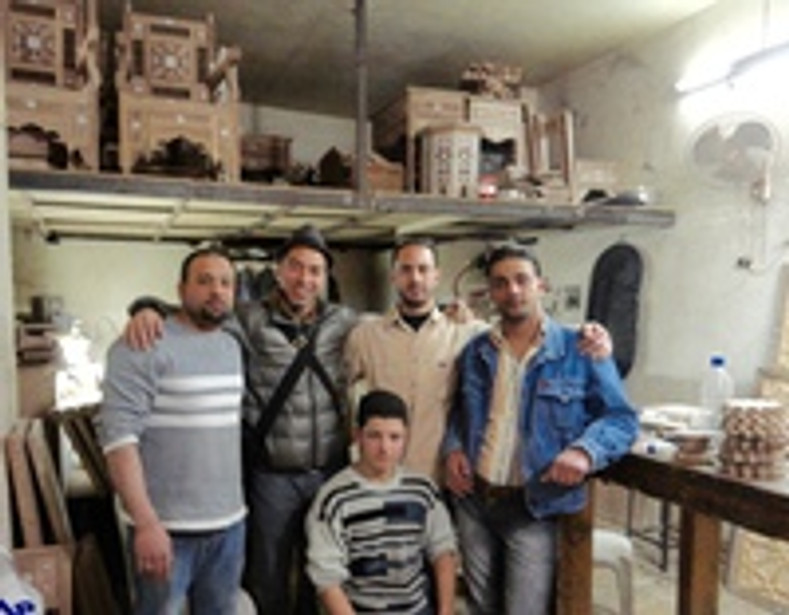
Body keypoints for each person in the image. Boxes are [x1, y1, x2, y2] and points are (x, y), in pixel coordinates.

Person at [122, 224, 357, 615]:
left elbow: (387, 325)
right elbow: (196, 312)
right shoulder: (246, 319)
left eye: (315, 270)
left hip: (329, 472)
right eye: (296, 267)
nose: (304, 278)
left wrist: (453, 313)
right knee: (267, 576)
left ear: (325, 277)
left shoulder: (344, 322)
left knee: (323, 573)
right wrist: (145, 308)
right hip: (272, 476)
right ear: (279, 271)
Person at [442, 243, 639, 615]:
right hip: (475, 502)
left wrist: (584, 451)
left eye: (522, 280)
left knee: (526, 609)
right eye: (501, 283)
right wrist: (453, 447)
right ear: (491, 292)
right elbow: (458, 410)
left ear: (541, 286)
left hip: (535, 505)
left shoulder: (581, 349)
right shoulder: (476, 352)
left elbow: (621, 418)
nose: (513, 290)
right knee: (482, 606)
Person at [344, 236, 613, 482]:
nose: (415, 278)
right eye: (406, 269)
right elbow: (341, 398)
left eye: (423, 269)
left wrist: (588, 333)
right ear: (393, 276)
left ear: (437, 276)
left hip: (440, 478)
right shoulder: (364, 337)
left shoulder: (468, 334)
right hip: (380, 475)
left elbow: (525, 330)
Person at [97, 247, 246, 615]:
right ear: (181, 289)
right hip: (166, 530)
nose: (216, 290)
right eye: (204, 281)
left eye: (225, 283)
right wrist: (146, 523)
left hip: (228, 526)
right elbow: (118, 439)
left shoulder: (231, 346)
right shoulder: (141, 345)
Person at [306, 389, 457, 615]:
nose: (385, 448)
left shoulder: (422, 490)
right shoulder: (334, 498)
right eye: (374, 436)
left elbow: (443, 551)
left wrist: (446, 611)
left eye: (394, 437)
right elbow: (327, 579)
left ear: (406, 438)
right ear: (358, 436)